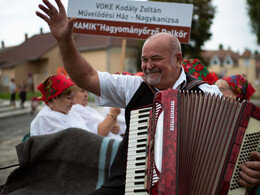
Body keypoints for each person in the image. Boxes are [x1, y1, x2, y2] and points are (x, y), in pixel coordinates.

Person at [36, 0, 260, 193]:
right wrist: (64, 41)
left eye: (156, 58)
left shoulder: (208, 94)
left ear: (178, 59)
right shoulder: (134, 86)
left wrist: (251, 167)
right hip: (127, 185)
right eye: (144, 59)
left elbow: (242, 148)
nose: (148, 65)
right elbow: (86, 77)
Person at [30, 73, 95, 136]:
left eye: (73, 97)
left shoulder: (70, 112)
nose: (72, 102)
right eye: (69, 98)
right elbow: (66, 142)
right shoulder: (46, 118)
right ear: (54, 98)